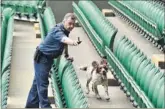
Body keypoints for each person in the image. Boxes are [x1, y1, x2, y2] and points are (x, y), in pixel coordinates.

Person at [25, 13, 80, 108]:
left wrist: (66, 55)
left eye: (73, 24)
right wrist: (74, 42)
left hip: (48, 59)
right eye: (70, 23)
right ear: (64, 21)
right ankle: (45, 106)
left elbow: (64, 42)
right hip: (42, 58)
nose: (71, 26)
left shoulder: (65, 30)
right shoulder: (57, 30)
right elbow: (64, 40)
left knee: (37, 83)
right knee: (42, 84)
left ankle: (31, 106)